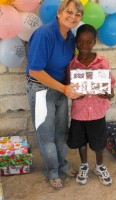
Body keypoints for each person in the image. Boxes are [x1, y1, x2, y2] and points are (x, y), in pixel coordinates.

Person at [26, 0, 84, 190]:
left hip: (61, 89)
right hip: (41, 90)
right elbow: (35, 71)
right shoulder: (45, 34)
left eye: (77, 14)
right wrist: (64, 89)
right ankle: (52, 172)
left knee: (61, 133)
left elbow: (68, 65)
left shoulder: (70, 38)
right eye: (69, 12)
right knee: (46, 136)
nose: (73, 17)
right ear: (59, 13)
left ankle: (63, 165)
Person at [67, 24, 116, 186]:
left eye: (89, 42)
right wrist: (73, 92)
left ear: (94, 42)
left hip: (97, 112)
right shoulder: (72, 65)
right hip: (79, 112)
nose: (84, 45)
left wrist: (109, 93)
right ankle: (84, 165)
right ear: (75, 42)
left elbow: (110, 86)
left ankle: (100, 166)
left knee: (98, 142)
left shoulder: (102, 62)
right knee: (81, 141)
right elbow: (69, 86)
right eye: (80, 41)